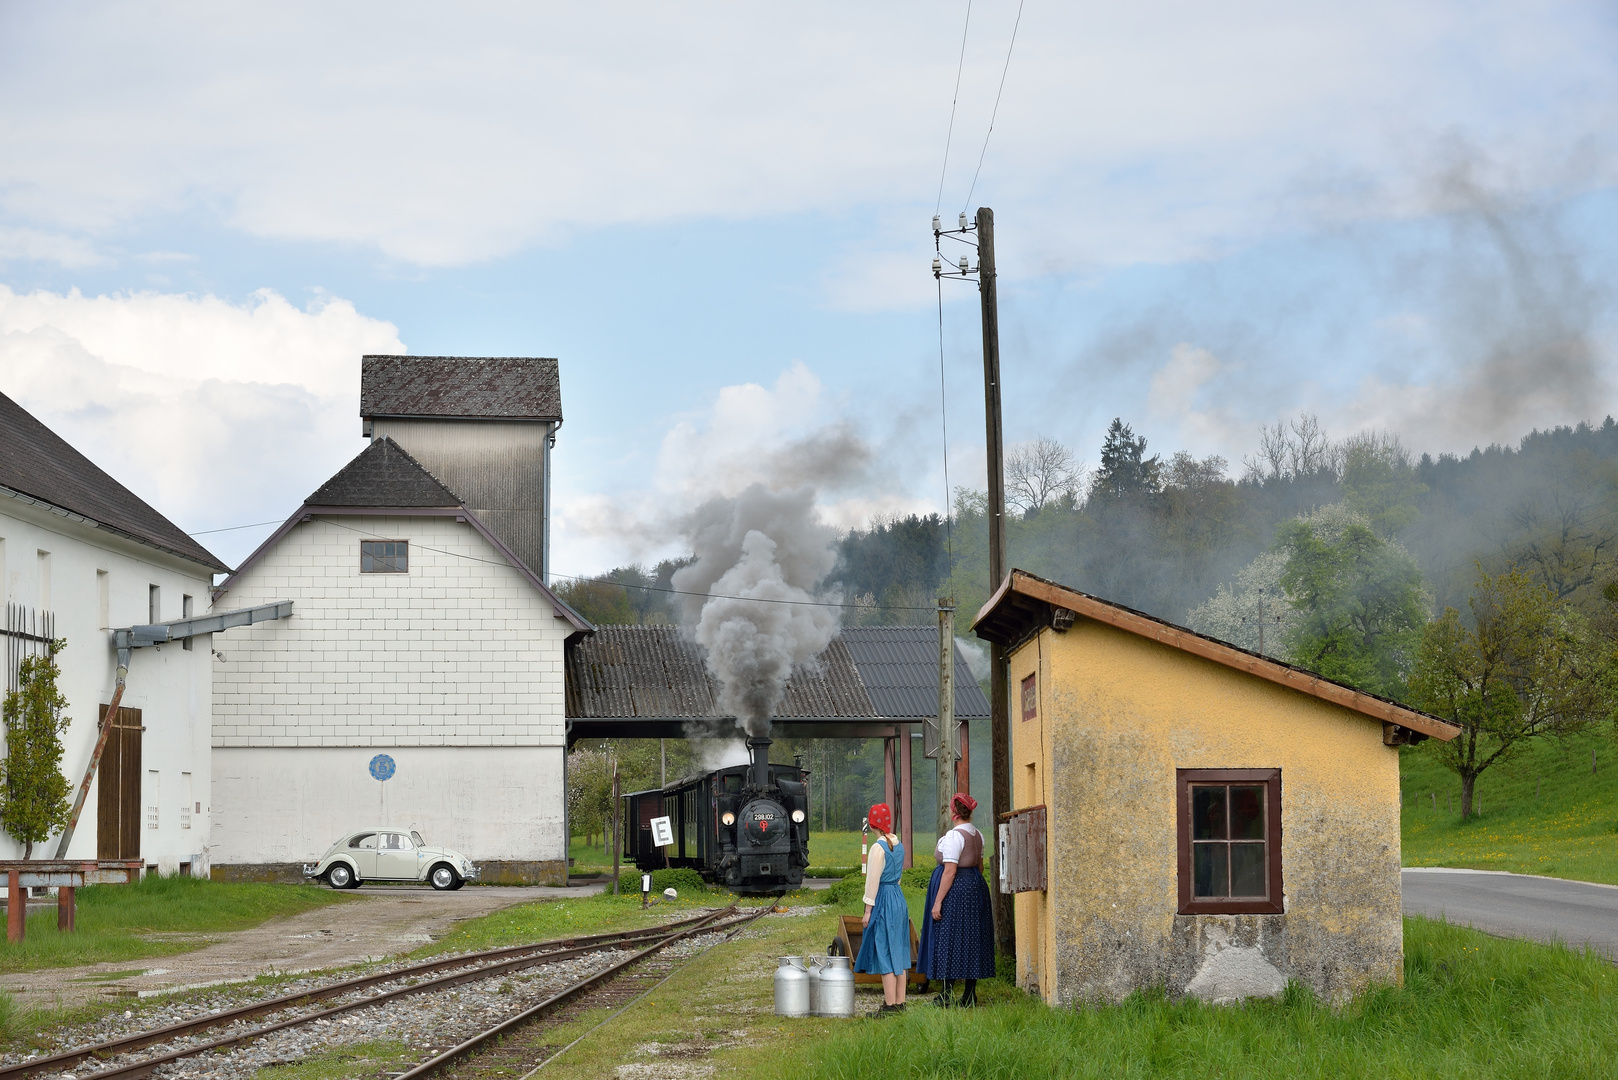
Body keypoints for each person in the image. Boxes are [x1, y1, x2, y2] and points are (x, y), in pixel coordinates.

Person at [916, 792, 995, 1007]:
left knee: (948, 937)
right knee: (972, 939)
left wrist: (938, 901)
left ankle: (946, 994)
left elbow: (949, 871)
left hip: (957, 890)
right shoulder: (978, 834)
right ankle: (969, 994)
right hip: (975, 887)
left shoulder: (954, 836)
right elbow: (979, 867)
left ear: (953, 812)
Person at [853, 802, 911, 1014]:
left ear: (872, 824)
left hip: (884, 899)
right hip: (898, 897)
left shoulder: (878, 847)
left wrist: (868, 909)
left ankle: (889, 1005)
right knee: (899, 949)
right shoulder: (899, 844)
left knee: (885, 950)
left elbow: (872, 881)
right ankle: (900, 1003)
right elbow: (898, 878)